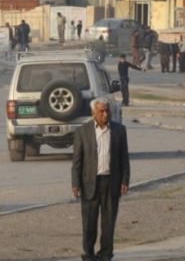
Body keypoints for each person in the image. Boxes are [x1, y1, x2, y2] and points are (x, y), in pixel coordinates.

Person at [72, 97, 130, 261]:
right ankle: (88, 254)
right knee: (89, 222)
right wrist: (75, 184)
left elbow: (124, 158)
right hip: (90, 183)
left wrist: (125, 180)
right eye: (101, 111)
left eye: (107, 111)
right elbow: (77, 161)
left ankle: (106, 254)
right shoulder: (82, 132)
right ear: (93, 113)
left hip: (111, 183)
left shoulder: (119, 130)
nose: (105, 114)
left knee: (109, 222)